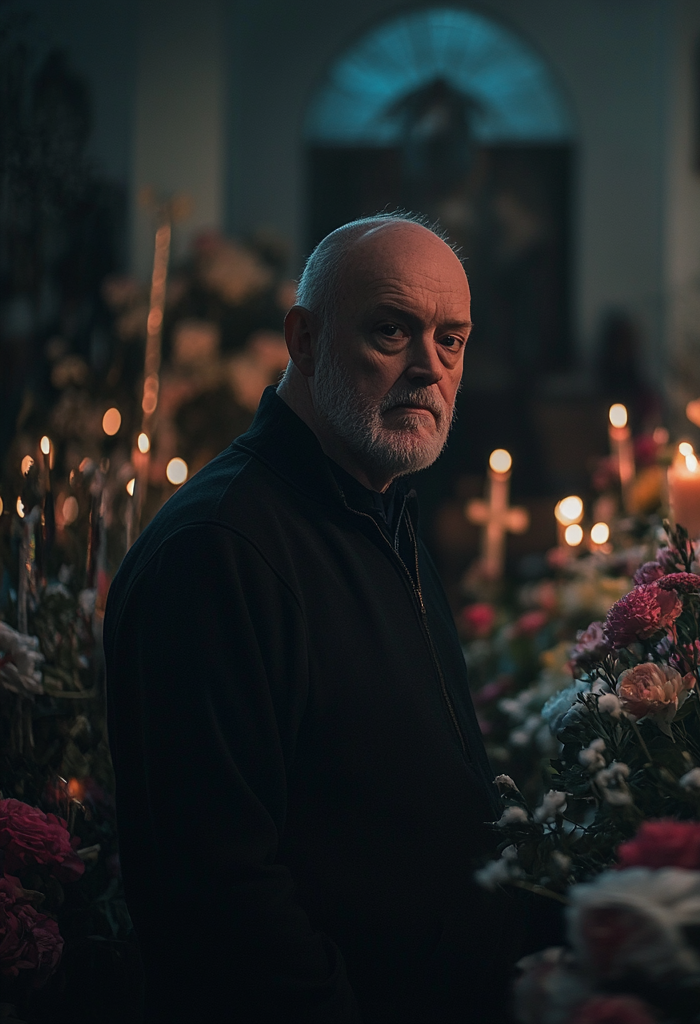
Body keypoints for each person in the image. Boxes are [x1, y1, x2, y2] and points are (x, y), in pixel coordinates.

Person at [104, 215, 522, 1023]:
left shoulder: (375, 502)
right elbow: (220, 901)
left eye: (453, 340)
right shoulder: (218, 549)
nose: (428, 370)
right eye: (392, 330)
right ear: (303, 338)